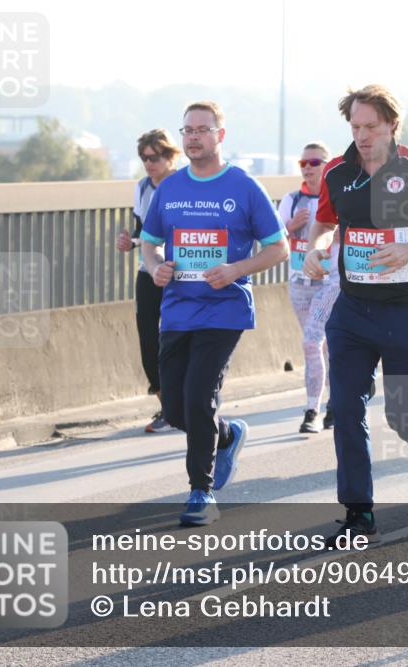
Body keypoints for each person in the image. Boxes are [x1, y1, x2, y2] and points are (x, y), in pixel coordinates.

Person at [302, 85, 408, 546]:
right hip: (351, 311)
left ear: (393, 124)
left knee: (406, 414)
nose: (363, 135)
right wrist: (315, 246)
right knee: (346, 407)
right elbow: (324, 221)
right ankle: (358, 512)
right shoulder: (336, 171)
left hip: (407, 309)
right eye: (355, 127)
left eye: (371, 126)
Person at [141, 101, 289, 526]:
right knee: (174, 409)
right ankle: (227, 435)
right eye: (187, 130)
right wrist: (156, 268)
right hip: (177, 311)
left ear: (220, 136)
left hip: (224, 311)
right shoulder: (169, 188)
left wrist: (236, 270)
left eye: (202, 130)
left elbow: (280, 247)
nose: (193, 137)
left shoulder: (242, 187)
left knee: (199, 395)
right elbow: (149, 243)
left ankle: (200, 492)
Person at [116, 129, 180, 433]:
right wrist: (128, 241)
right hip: (148, 271)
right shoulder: (142, 187)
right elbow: (143, 231)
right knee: (147, 338)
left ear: (170, 156)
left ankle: (185, 401)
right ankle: (165, 404)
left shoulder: (183, 185)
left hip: (180, 272)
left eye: (154, 157)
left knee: (176, 336)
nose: (149, 164)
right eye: (144, 158)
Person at [279, 142, 340, 433]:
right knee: (320, 345)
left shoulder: (338, 199)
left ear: (328, 166)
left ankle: (311, 411)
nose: (307, 168)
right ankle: (334, 404)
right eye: (303, 163)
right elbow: (275, 238)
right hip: (299, 283)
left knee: (311, 342)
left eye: (314, 162)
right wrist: (291, 225)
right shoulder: (291, 200)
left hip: (329, 283)